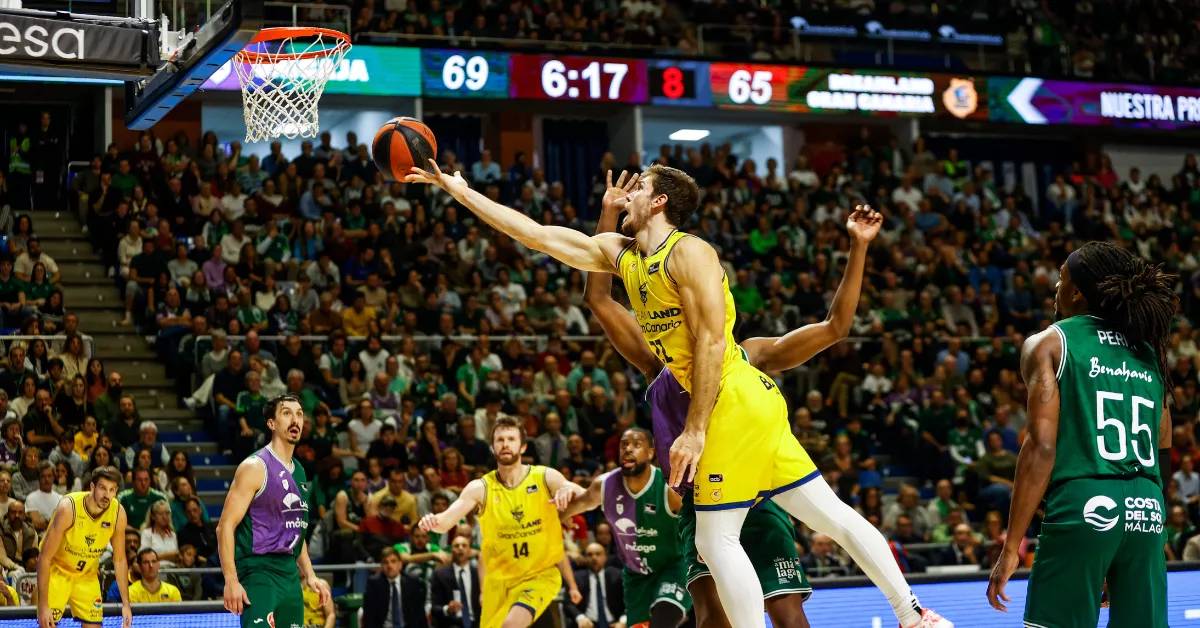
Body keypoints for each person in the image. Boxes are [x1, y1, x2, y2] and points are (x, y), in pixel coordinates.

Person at [576, 172, 937, 628]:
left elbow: (833, 328)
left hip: (760, 494)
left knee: (787, 612)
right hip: (698, 497)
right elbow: (599, 298)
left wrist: (859, 246)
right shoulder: (658, 361)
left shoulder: (751, 356)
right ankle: (912, 613)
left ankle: (912, 612)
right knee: (709, 616)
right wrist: (610, 215)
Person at [987, 242, 1174, 628]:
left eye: (1060, 278)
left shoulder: (1050, 343)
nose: (1055, 287)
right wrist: (1145, 521)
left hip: (1086, 504)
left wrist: (1010, 547)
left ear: (1075, 292)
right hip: (1148, 507)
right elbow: (1164, 446)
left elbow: (1041, 448)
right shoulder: (1147, 351)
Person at [418, 416, 583, 628]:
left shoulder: (544, 477)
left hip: (538, 574)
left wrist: (569, 490)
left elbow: (581, 494)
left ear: (523, 447)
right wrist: (433, 520)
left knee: (511, 625)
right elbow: (446, 520)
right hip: (499, 582)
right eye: (500, 440)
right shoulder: (480, 488)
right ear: (492, 447)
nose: (505, 444)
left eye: (511, 439)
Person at [217, 394, 330, 628]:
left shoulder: (299, 471)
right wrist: (231, 580)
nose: (295, 420)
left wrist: (309, 575)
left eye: (299, 414)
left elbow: (296, 531)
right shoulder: (254, 467)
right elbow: (225, 526)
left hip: (289, 574)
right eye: (287, 413)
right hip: (259, 570)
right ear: (271, 424)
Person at [559, 428, 690, 628]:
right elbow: (574, 505)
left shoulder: (668, 487)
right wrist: (560, 509)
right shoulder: (604, 485)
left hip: (673, 567)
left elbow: (696, 524)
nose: (628, 449)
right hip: (635, 576)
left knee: (663, 620)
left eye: (636, 445)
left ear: (650, 453)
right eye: (624, 445)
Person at [36, 465, 132, 628]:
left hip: (86, 575)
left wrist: (126, 604)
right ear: (92, 487)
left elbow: (120, 559)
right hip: (57, 571)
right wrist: (43, 605)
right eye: (103, 488)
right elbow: (44, 558)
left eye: (112, 490)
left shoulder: (118, 513)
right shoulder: (68, 508)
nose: (107, 495)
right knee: (48, 624)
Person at [362, 547, 428, 628]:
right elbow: (369, 616)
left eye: (393, 561)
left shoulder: (411, 582)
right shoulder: (374, 583)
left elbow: (419, 613)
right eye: (385, 562)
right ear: (382, 566)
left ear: (400, 565)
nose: (389, 566)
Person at [430, 534, 481, 628]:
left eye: (464, 545)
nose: (460, 548)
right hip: (452, 623)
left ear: (470, 551)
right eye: (457, 546)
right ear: (451, 550)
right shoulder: (440, 575)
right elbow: (435, 608)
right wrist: (448, 609)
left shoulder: (478, 574)